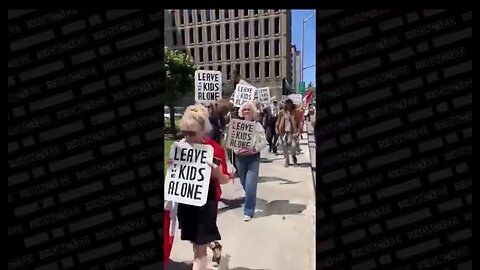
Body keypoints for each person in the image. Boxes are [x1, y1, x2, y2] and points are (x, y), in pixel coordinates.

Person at [170, 104, 231, 270]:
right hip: (186, 200)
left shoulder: (215, 150)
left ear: (203, 130)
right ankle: (214, 246)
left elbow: (226, 179)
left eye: (192, 133)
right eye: (184, 132)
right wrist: (172, 167)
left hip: (206, 202)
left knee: (199, 251)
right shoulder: (180, 147)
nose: (187, 137)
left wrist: (218, 174)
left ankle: (203, 260)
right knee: (195, 242)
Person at [235, 101, 268, 221]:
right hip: (240, 158)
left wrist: (254, 149)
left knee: (250, 185)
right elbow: (231, 142)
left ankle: (248, 210)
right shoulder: (237, 125)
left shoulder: (257, 125)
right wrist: (237, 151)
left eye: (249, 109)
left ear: (253, 111)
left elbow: (264, 141)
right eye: (244, 109)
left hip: (253, 158)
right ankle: (250, 198)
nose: (246, 111)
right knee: (244, 182)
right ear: (241, 112)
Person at [276, 99, 302, 167]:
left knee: (293, 146)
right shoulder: (282, 112)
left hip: (292, 132)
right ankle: (287, 161)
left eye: (290, 103)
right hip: (284, 132)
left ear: (292, 104)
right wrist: (277, 129)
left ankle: (294, 158)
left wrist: (298, 131)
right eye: (287, 104)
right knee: (285, 147)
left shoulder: (296, 112)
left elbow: (300, 122)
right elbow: (278, 121)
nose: (288, 105)